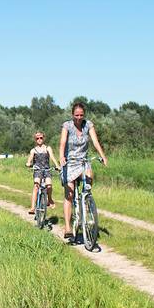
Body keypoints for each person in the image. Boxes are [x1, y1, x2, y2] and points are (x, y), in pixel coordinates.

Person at [58, 102, 108, 243]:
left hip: (83, 161)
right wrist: (61, 156)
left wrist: (103, 156)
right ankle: (68, 227)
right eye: (76, 115)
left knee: (89, 176)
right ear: (72, 115)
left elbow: (95, 141)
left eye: (81, 115)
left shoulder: (88, 125)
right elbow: (62, 143)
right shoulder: (67, 126)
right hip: (69, 162)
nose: (79, 118)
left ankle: (86, 200)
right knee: (70, 194)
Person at [25, 131, 58, 213]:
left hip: (47, 170)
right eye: (37, 138)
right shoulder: (33, 150)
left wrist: (57, 165)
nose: (39, 139)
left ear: (44, 138)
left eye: (41, 138)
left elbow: (52, 157)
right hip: (37, 170)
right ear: (35, 140)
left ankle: (49, 199)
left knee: (49, 186)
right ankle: (32, 207)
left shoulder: (47, 148)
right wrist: (28, 163)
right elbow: (30, 159)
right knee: (36, 186)